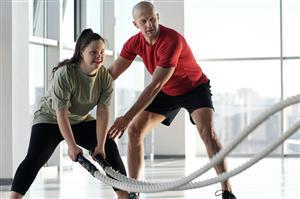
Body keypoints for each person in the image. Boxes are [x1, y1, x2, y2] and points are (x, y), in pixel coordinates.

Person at [107, 1, 236, 199]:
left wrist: (125, 117)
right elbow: (112, 73)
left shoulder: (171, 40)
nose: (149, 24)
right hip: (167, 91)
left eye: (152, 19)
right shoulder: (134, 42)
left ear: (157, 17)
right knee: (134, 130)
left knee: (206, 132)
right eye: (144, 21)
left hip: (194, 87)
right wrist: (84, 85)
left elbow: (155, 86)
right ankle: (134, 191)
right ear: (136, 25)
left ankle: (227, 191)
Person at [9, 29, 138, 199]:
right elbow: (61, 113)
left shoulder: (104, 78)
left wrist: (99, 145)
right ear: (81, 52)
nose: (99, 56)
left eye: (102, 52)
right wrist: (71, 145)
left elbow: (102, 112)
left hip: (80, 119)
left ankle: (124, 195)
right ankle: (13, 197)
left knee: (109, 147)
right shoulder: (66, 74)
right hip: (51, 118)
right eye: (93, 52)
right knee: (36, 157)